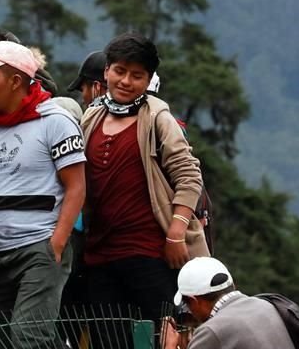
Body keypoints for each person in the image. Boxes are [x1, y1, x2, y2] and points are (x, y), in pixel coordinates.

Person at [81, 33, 208, 340]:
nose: (126, 81)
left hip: (150, 252)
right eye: (119, 72)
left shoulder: (158, 118)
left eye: (137, 76)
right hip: (99, 254)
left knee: (164, 337)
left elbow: (189, 177)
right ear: (106, 72)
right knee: (106, 338)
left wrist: (176, 233)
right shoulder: (91, 117)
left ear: (148, 79)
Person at [0, 42, 86, 347]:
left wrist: (57, 242)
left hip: (40, 249)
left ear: (16, 81)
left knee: (29, 339)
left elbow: (76, 186)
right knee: (2, 341)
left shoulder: (56, 121)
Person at [162, 257, 295, 349]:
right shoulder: (266, 306)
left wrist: (169, 346)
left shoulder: (210, 331)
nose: (189, 311)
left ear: (194, 300)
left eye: (187, 304)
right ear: (232, 285)